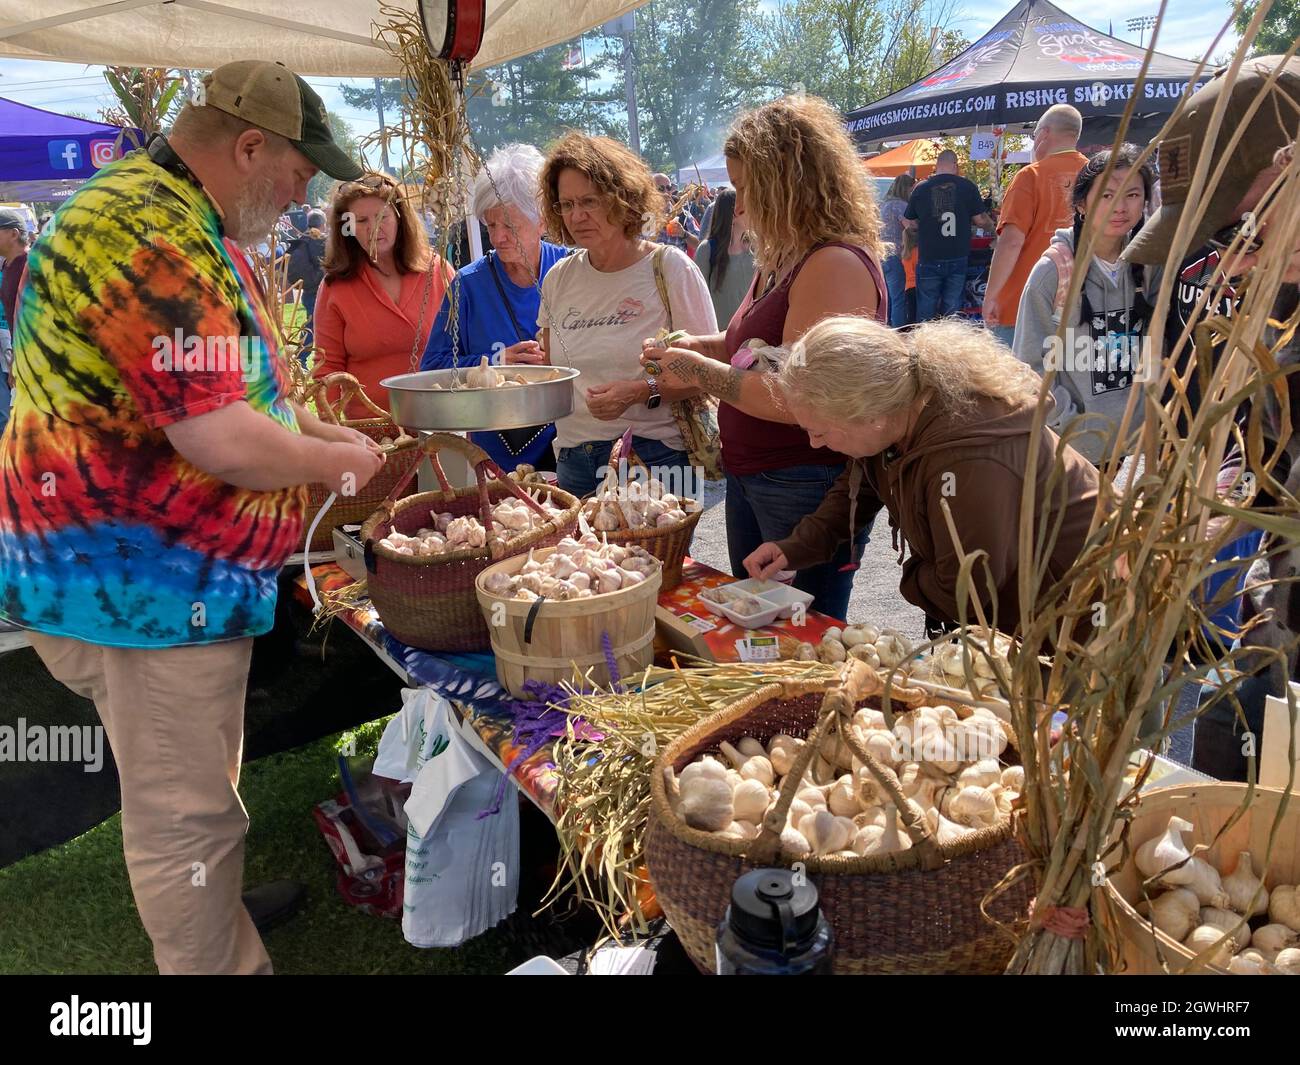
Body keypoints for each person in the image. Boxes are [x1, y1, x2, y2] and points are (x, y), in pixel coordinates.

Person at [0, 61, 382, 974]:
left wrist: (329, 432)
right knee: (185, 816)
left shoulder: (175, 214)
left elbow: (241, 402)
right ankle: (210, 948)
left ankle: (209, 912)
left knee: (188, 787)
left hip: (158, 580)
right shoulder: (151, 232)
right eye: (298, 173)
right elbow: (219, 437)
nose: (304, 194)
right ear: (249, 146)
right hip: (146, 586)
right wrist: (333, 461)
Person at [639, 93, 885, 621]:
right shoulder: (783, 258)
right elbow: (745, 348)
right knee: (758, 628)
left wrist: (698, 371)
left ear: (789, 187)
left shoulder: (833, 264)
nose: (741, 208)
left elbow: (797, 397)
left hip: (805, 484)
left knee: (801, 632)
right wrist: (685, 349)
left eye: (748, 190)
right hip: (758, 478)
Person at [1123, 55, 1300, 781]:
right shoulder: (1270, 293)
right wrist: (1210, 490)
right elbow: (1255, 433)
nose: (1226, 268)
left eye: (1242, 235)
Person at [743, 316, 1099, 635]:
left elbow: (968, 591)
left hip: (1077, 620)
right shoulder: (894, 409)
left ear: (871, 416)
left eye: (820, 431)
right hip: (1029, 612)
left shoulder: (966, 459)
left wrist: (913, 576)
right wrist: (793, 549)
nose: (815, 443)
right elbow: (858, 489)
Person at [524, 133, 716, 498]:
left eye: (588, 201)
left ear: (622, 198)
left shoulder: (668, 268)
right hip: (573, 457)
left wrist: (639, 392)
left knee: (659, 557)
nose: (576, 215)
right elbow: (551, 372)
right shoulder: (558, 278)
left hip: (656, 456)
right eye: (565, 204)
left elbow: (708, 373)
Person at [421, 144, 567, 472]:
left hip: (571, 446)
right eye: (490, 226)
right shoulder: (468, 285)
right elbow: (432, 367)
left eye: (510, 226)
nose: (498, 237)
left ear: (542, 220)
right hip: (495, 457)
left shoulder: (570, 272)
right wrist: (496, 365)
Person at [1012, 145, 1154, 465]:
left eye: (1132, 194)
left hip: (1137, 449)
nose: (1120, 206)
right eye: (1106, 195)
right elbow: (1027, 367)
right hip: (1074, 451)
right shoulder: (1053, 273)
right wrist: (1070, 424)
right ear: (1081, 204)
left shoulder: (1151, 266)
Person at [313, 172, 453, 417]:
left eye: (382, 217)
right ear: (346, 227)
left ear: (400, 218)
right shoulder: (336, 286)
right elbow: (328, 369)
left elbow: (464, 343)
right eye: (362, 220)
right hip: (370, 432)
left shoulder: (438, 270)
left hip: (441, 419)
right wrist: (333, 429)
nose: (373, 228)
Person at [982, 105, 1088, 344]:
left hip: (1024, 304)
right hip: (1081, 303)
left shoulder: (1030, 176)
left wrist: (991, 296)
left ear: (1043, 134)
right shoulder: (1097, 176)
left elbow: (1011, 242)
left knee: (1014, 379)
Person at [903, 150, 993, 321]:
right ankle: (949, 345)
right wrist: (994, 228)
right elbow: (981, 220)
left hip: (929, 256)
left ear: (936, 165)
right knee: (952, 309)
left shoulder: (921, 188)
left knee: (926, 309)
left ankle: (923, 345)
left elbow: (910, 222)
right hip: (957, 255)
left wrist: (925, 226)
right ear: (955, 165)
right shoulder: (968, 187)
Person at [695, 188, 755, 329]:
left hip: (752, 335)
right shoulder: (707, 250)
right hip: (720, 338)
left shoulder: (757, 247)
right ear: (733, 213)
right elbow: (698, 297)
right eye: (748, 208)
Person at [284, 207, 327, 355]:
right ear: (322, 224)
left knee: (313, 325)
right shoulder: (320, 241)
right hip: (319, 291)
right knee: (313, 327)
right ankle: (302, 357)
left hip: (308, 291)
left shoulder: (302, 240)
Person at [878, 174, 915, 328]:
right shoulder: (901, 205)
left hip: (881, 253)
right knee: (899, 298)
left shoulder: (883, 205)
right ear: (906, 189)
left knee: (888, 298)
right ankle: (898, 333)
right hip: (896, 254)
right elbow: (910, 226)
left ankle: (886, 329)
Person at [0, 208, 26, 432]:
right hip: (16, 349)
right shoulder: (6, 265)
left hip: (32, 354)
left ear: (14, 234)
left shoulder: (32, 264)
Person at [653, 172, 700, 255]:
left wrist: (683, 233)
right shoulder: (643, 214)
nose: (666, 192)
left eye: (669, 188)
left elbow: (699, 244)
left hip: (675, 266)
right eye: (661, 188)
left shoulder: (682, 215)